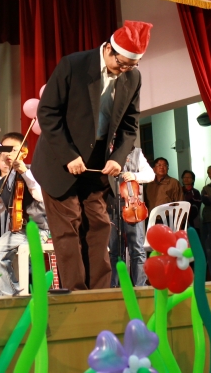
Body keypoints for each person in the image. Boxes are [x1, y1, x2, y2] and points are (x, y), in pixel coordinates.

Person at [32, 20, 153, 291]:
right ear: (108, 48)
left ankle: (99, 296)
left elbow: (130, 124)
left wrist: (117, 158)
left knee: (99, 226)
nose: (124, 70)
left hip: (97, 164)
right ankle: (77, 296)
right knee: (68, 229)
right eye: (121, 64)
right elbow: (47, 112)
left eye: (131, 66)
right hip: (59, 160)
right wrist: (68, 155)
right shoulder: (73, 65)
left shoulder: (133, 77)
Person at [0, 132, 49, 296]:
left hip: (38, 230)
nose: (8, 154)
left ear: (23, 151)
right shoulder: (4, 181)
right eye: (5, 150)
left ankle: (11, 295)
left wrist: (24, 172)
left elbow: (40, 196)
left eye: (13, 149)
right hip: (18, 231)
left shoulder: (34, 173)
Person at [108, 146, 153, 287]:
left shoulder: (136, 153)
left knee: (137, 249)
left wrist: (135, 176)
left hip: (133, 206)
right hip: (112, 206)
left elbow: (150, 175)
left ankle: (140, 286)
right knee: (114, 250)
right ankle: (114, 287)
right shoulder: (106, 151)